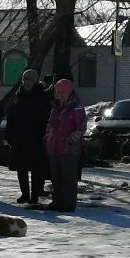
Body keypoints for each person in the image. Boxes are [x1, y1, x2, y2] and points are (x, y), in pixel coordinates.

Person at [5, 68, 52, 205]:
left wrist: (42, 134)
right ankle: (25, 194)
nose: (26, 82)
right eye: (24, 79)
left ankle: (35, 195)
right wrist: (10, 135)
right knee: (21, 168)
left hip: (36, 139)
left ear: (35, 80)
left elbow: (46, 118)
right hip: (19, 138)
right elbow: (11, 117)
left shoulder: (41, 96)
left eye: (29, 79)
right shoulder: (18, 96)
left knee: (37, 169)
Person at [43, 76, 87, 212]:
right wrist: (48, 138)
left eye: (62, 91)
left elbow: (81, 127)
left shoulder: (77, 108)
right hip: (54, 147)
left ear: (69, 92)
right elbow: (50, 125)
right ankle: (57, 202)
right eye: (58, 91)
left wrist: (70, 140)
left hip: (69, 149)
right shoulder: (55, 107)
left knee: (68, 178)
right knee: (56, 178)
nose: (59, 94)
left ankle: (68, 204)